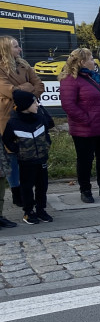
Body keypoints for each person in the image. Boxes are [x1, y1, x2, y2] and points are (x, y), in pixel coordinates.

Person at [59, 48, 100, 203]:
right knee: (85, 160)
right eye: (91, 58)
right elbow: (68, 105)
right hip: (85, 129)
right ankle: (85, 190)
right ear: (82, 62)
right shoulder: (70, 79)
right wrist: (87, 120)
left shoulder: (95, 77)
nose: (94, 61)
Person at [0, 36, 45, 210]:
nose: (19, 49)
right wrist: (27, 87)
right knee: (11, 154)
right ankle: (16, 191)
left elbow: (39, 85)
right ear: (5, 49)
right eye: (15, 47)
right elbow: (8, 90)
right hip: (8, 116)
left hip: (28, 117)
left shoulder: (24, 65)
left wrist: (25, 90)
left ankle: (27, 191)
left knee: (27, 154)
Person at [2, 90, 54, 224]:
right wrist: (18, 150)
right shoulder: (13, 122)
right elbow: (7, 139)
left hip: (41, 159)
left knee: (42, 186)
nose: (37, 104)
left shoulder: (40, 117)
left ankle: (41, 209)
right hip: (26, 161)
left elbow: (48, 129)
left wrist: (47, 145)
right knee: (27, 186)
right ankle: (28, 212)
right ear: (25, 105)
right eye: (34, 102)